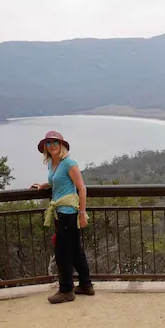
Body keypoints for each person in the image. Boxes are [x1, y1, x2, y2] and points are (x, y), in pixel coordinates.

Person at [32, 130, 95, 304]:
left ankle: (66, 290)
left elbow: (82, 189)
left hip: (69, 213)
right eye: (48, 143)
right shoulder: (53, 163)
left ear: (62, 145)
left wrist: (82, 213)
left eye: (54, 142)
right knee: (75, 251)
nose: (51, 145)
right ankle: (86, 285)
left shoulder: (69, 163)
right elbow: (57, 181)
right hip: (61, 212)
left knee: (62, 253)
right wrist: (46, 184)